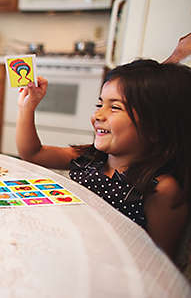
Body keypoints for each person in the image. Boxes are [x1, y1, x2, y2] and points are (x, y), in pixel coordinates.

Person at [16, 59, 191, 261]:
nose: (98, 114)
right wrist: (26, 108)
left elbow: (160, 265)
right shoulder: (89, 159)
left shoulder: (162, 189)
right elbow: (32, 153)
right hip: (66, 248)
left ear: (156, 127)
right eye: (100, 104)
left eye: (115, 107)